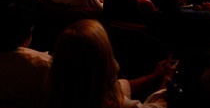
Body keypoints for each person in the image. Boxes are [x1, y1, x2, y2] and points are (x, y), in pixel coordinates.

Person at [47, 19, 175, 108]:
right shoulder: (114, 104)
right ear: (104, 59)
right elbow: (158, 106)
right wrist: (166, 80)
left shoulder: (54, 91)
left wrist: (152, 76)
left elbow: (118, 87)